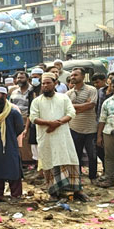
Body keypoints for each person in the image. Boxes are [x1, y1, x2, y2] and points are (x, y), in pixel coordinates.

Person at [30, 73, 87, 201]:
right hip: (46, 137)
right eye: (43, 83)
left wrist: (57, 123)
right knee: (49, 161)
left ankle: (77, 190)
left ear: (55, 83)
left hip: (63, 136)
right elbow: (33, 118)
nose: (45, 86)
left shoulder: (63, 98)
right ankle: (53, 193)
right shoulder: (36, 101)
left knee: (69, 159)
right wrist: (49, 124)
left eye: (48, 83)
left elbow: (71, 112)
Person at [66, 69, 99, 182]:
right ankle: (77, 176)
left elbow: (91, 105)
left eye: (76, 75)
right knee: (76, 154)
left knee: (92, 155)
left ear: (83, 76)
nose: (73, 77)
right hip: (74, 128)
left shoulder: (91, 90)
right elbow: (67, 109)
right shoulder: (68, 93)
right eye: (71, 75)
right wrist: (83, 105)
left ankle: (93, 177)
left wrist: (74, 107)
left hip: (90, 128)